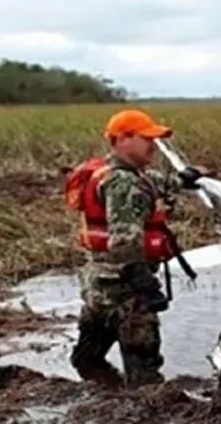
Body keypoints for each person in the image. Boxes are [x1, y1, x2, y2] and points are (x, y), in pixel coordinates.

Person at [64, 108, 203, 386]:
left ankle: (102, 393)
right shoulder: (124, 184)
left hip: (98, 286)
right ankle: (137, 423)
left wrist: (186, 179)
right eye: (147, 138)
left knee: (87, 359)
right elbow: (125, 241)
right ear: (123, 139)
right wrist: (146, 285)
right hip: (127, 292)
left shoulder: (114, 172)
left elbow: (157, 183)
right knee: (144, 379)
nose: (153, 145)